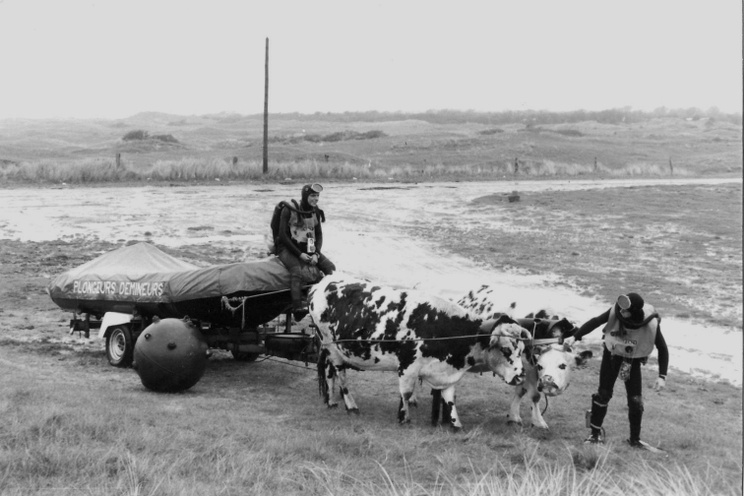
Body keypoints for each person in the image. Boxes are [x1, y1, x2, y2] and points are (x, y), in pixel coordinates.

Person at [565, 292, 669, 449]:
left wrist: (662, 376)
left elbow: (662, 348)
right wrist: (575, 337)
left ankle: (635, 439)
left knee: (635, 400)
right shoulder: (616, 311)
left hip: (632, 360)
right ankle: (594, 435)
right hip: (612, 356)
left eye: (625, 310)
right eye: (621, 308)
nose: (621, 312)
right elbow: (596, 321)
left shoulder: (651, 323)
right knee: (603, 395)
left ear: (634, 312)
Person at [276, 183, 335, 320]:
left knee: (331, 268)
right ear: (305, 196)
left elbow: (318, 235)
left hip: (308, 247)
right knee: (297, 271)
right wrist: (299, 255)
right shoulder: (289, 210)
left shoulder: (315, 211)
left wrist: (316, 254)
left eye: (317, 196)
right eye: (312, 196)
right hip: (287, 247)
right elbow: (283, 235)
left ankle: (328, 301)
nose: (316, 199)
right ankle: (297, 307)